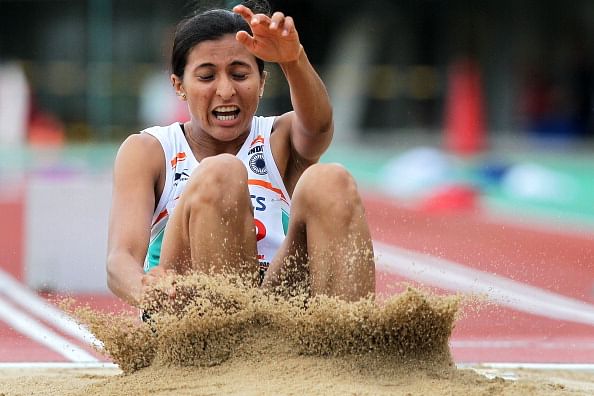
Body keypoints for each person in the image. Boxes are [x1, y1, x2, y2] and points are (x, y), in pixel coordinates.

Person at [106, 1, 375, 309]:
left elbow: (319, 127)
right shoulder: (149, 150)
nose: (225, 91)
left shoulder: (278, 138)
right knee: (221, 173)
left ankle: (351, 342)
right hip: (190, 309)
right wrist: (144, 289)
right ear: (179, 86)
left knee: (332, 180)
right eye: (207, 77)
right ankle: (227, 344)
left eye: (239, 75)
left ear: (261, 83)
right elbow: (119, 259)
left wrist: (293, 59)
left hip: (274, 302)